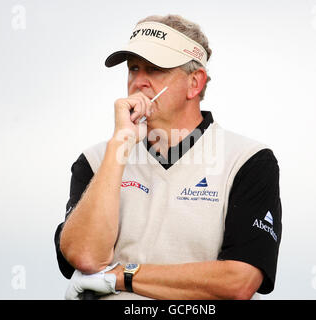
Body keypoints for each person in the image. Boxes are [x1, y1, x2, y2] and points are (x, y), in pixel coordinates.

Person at [54, 14, 282, 300]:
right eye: (133, 68)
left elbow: (239, 281)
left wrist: (123, 276)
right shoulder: (96, 159)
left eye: (154, 69)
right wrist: (120, 145)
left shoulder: (248, 160)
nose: (138, 81)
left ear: (194, 83)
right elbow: (85, 257)